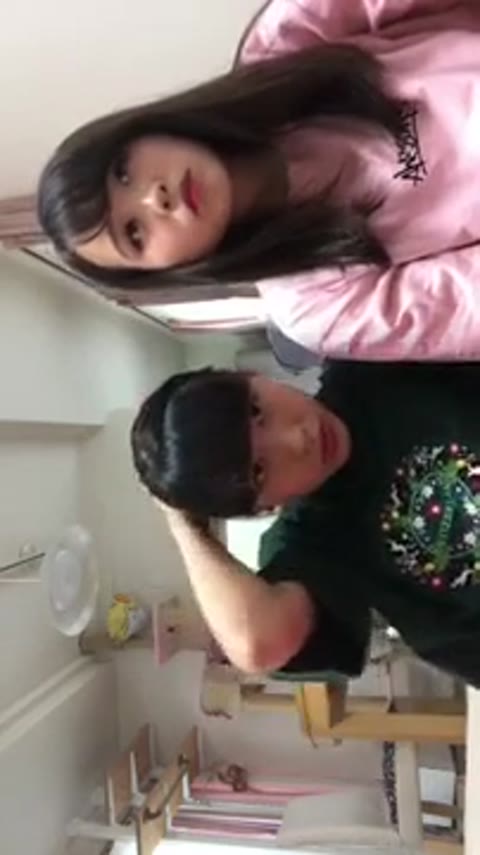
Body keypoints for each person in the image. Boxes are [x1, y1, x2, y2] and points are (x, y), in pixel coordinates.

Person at [38, 0, 480, 361]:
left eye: (123, 171)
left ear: (139, 131)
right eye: (134, 233)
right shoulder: (317, 308)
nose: (156, 198)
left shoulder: (284, 41)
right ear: (163, 271)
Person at [131, 360, 480, 687]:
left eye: (257, 410)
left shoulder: (369, 363)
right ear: (263, 509)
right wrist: (183, 524)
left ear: (253, 375)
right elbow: (257, 644)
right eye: (259, 471)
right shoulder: (313, 544)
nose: (298, 439)